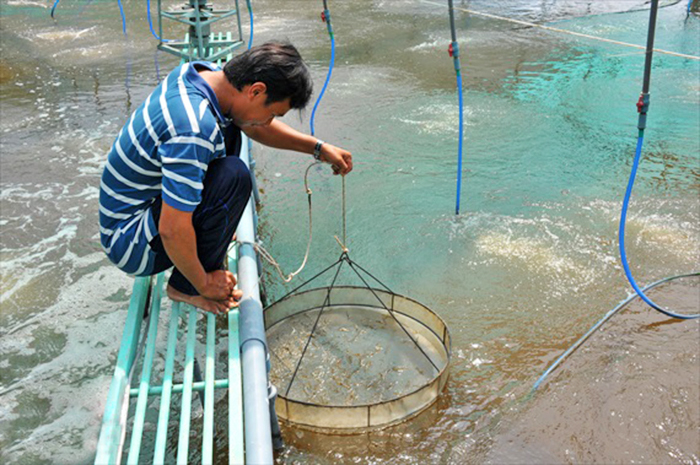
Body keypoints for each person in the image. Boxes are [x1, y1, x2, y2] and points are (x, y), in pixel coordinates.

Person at [99, 42, 352, 314]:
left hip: (132, 215)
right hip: (131, 244)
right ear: (256, 90)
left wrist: (318, 148)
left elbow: (251, 125)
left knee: (231, 130)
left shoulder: (201, 74)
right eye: (273, 114)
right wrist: (203, 282)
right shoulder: (193, 128)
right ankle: (184, 288)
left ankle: (206, 237)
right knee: (234, 176)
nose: (268, 121)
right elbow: (171, 230)